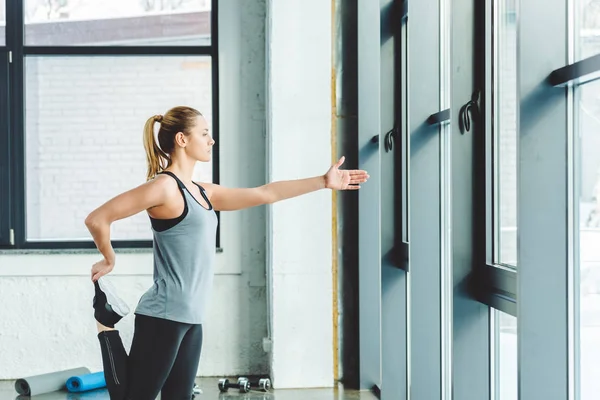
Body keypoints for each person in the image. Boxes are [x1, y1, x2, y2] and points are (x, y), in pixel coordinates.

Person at [84, 105, 369, 400]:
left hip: (192, 316)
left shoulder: (203, 192)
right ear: (182, 139)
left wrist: (323, 182)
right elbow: (98, 218)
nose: (211, 140)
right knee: (134, 397)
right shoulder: (164, 187)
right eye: (204, 133)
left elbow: (265, 193)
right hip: (165, 313)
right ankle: (105, 325)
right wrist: (109, 258)